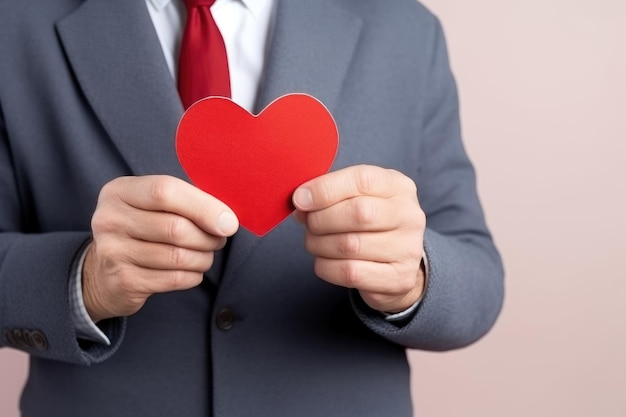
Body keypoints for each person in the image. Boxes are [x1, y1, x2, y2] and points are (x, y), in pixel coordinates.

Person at [0, 0, 504, 416]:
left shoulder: (405, 29)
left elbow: (480, 280)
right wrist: (85, 281)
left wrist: (411, 277)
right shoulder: (15, 24)